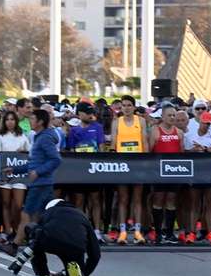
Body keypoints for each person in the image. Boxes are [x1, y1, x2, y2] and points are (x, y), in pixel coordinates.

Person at [0, 109, 61, 255]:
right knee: (39, 217)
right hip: (42, 183)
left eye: (33, 118)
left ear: (40, 122)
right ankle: (41, 244)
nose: (30, 121)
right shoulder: (39, 137)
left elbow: (56, 159)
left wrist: (38, 172)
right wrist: (14, 170)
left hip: (41, 183)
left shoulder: (44, 138)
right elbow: (33, 164)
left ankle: (14, 246)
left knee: (26, 214)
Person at [8, 199, 101, 276]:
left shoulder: (48, 213)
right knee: (74, 254)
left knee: (33, 230)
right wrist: (85, 272)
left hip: (52, 241)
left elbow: (36, 240)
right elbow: (95, 254)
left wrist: (20, 260)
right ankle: (73, 274)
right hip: (76, 246)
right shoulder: (82, 216)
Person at [66, 102, 108, 244]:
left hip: (94, 170)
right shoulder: (74, 130)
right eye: (87, 112)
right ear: (80, 114)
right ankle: (80, 230)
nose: (91, 115)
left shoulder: (98, 128)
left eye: (92, 112)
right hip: (79, 171)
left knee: (95, 200)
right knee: (79, 201)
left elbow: (101, 147)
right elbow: (71, 151)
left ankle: (97, 231)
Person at [111, 95, 149, 245]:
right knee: (123, 199)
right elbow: (114, 142)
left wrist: (145, 162)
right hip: (122, 164)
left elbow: (144, 142)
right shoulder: (116, 122)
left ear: (133, 107)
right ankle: (122, 232)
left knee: (137, 199)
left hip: (138, 164)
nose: (126, 108)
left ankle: (138, 232)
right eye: (123, 105)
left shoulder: (141, 121)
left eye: (128, 105)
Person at [184, 110, 211, 244]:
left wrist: (205, 149)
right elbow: (183, 152)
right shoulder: (190, 135)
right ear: (199, 122)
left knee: (210, 203)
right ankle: (192, 233)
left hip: (210, 173)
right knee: (195, 203)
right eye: (204, 123)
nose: (206, 126)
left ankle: (210, 232)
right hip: (195, 172)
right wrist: (193, 151)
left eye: (208, 123)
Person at [0, 111, 31, 241]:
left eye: (12, 119)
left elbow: (29, 153)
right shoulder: (0, 137)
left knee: (18, 205)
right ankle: (8, 231)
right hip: (4, 174)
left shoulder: (22, 137)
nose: (10, 122)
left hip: (19, 174)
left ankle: (17, 229)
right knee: (6, 203)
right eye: (7, 119)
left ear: (16, 121)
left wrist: (24, 152)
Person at [148, 105, 185, 244]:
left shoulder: (179, 132)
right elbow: (149, 151)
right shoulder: (155, 131)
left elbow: (182, 152)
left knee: (171, 200)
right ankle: (158, 233)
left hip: (174, 170)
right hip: (158, 171)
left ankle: (169, 233)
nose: (172, 118)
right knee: (158, 200)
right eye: (169, 115)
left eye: (173, 115)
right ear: (162, 116)